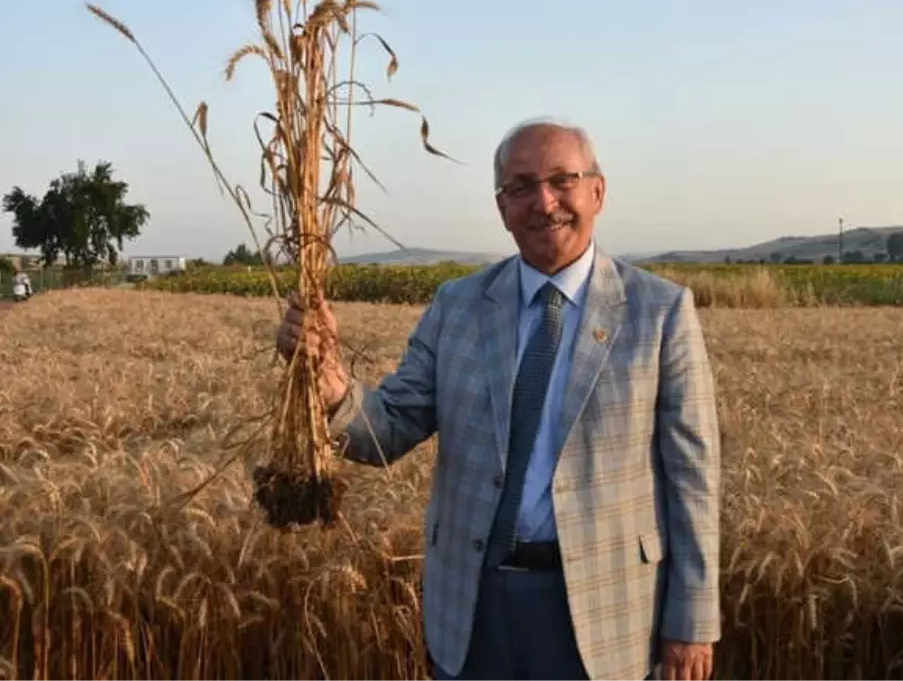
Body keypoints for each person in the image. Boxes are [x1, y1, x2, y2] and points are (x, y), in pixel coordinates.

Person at [277, 119, 722, 681]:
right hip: (473, 605)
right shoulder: (458, 305)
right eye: (522, 187)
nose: (544, 202)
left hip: (608, 614)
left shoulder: (660, 313)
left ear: (597, 192)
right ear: (501, 207)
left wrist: (693, 621)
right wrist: (325, 377)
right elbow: (387, 429)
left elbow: (693, 480)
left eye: (563, 180)